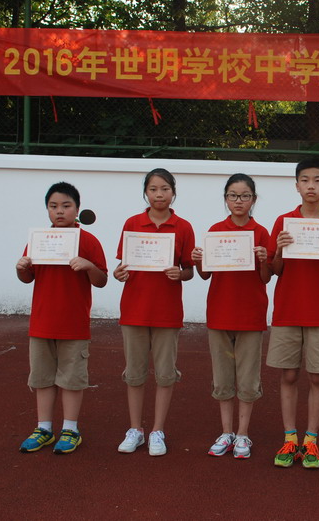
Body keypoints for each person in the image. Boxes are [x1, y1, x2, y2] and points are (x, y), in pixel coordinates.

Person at [16, 182, 108, 454]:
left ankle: (71, 429)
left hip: (73, 324)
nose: (59, 211)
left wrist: (88, 266)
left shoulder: (88, 241)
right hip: (42, 323)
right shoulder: (39, 240)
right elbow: (27, 277)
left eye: (66, 206)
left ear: (77, 209)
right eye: (53, 206)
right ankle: (44, 428)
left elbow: (102, 280)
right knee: (42, 378)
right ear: (47, 210)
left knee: (71, 379)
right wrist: (21, 267)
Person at [267, 157, 319, 469]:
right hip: (287, 309)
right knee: (288, 374)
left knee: (316, 376)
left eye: (317, 180)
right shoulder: (283, 222)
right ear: (297, 185)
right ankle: (290, 437)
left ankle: (311, 440)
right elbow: (275, 270)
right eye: (305, 180)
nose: (311, 185)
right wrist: (278, 249)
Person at [114, 168, 195, 457]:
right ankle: (135, 429)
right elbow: (121, 265)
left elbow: (189, 270)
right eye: (153, 189)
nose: (159, 194)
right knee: (134, 374)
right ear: (145, 193)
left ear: (173, 192)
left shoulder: (183, 227)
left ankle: (157, 430)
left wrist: (180, 273)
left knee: (165, 374)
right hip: (134, 310)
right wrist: (119, 273)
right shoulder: (132, 223)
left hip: (166, 312)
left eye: (164, 189)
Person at [191, 173, 271, 460]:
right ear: (226, 199)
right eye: (233, 196)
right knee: (222, 377)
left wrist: (264, 259)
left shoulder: (261, 232)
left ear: (253, 199)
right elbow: (205, 274)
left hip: (250, 315)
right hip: (220, 314)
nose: (239, 201)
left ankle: (243, 433)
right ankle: (226, 432)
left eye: (245, 196)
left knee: (248, 378)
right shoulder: (216, 230)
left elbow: (266, 277)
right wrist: (198, 261)